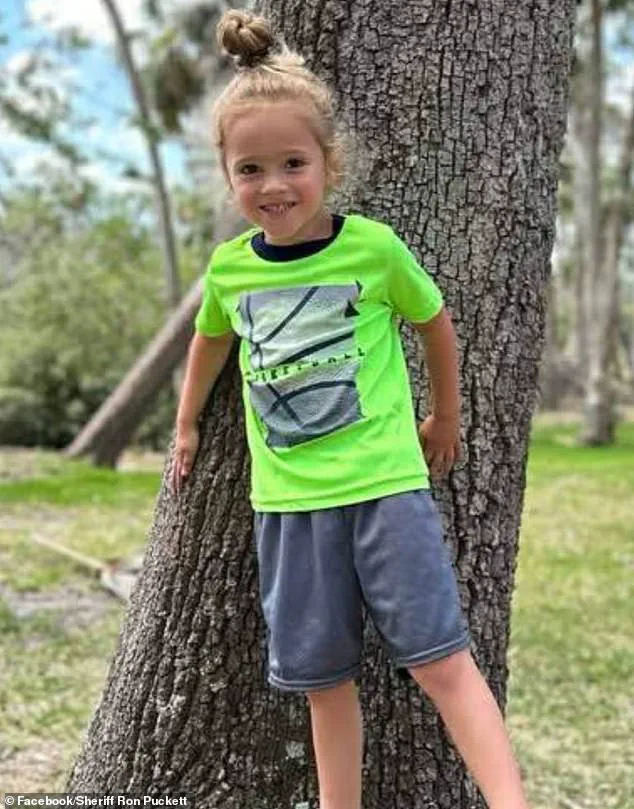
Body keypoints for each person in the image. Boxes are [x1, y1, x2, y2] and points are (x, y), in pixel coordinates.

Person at [172, 9, 529, 809]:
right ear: (228, 176)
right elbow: (209, 342)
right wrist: (186, 421)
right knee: (323, 682)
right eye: (250, 169)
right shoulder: (230, 270)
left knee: (441, 660)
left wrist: (446, 415)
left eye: (293, 163)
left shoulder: (373, 247)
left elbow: (433, 319)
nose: (273, 185)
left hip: (385, 489)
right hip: (290, 506)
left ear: (328, 164)